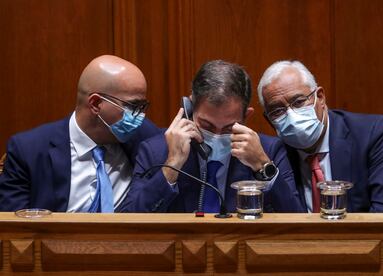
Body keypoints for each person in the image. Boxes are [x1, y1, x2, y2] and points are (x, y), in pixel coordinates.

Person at [119, 60, 304, 213]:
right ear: (190, 109)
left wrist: (262, 166)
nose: (216, 135)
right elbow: (130, 220)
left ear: (246, 116)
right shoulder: (156, 150)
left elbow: (296, 221)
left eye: (228, 127)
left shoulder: (269, 150)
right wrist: (172, 166)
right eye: (206, 125)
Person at [0, 55, 160, 212]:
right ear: (96, 103)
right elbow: (15, 228)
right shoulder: (28, 150)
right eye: (132, 106)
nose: (139, 116)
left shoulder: (144, 137)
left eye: (143, 106)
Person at [257, 60, 383, 212]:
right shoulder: (274, 156)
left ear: (320, 97)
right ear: (269, 120)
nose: (291, 116)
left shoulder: (374, 134)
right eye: (277, 111)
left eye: (298, 102)